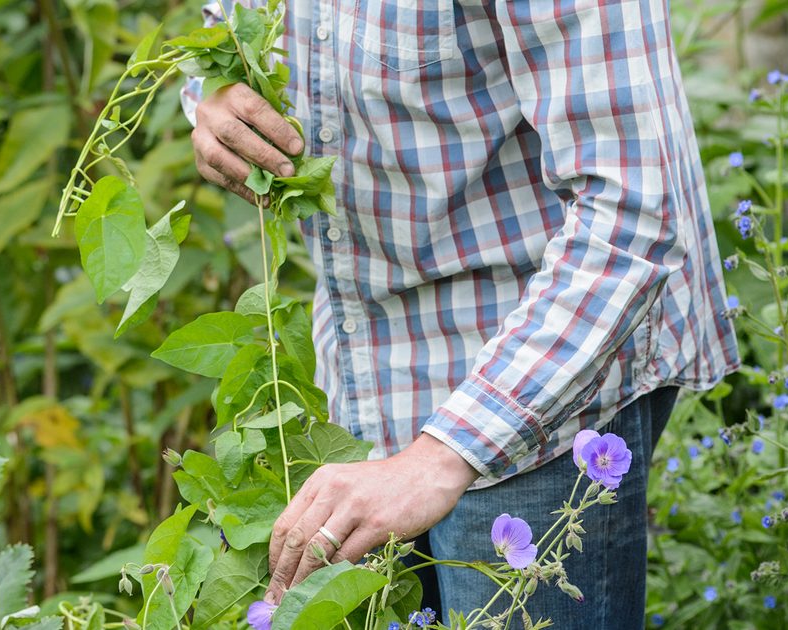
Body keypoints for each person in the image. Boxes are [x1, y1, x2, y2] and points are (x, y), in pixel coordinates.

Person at [183, 0, 739, 626]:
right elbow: (228, 26)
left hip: (539, 385)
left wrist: (440, 456)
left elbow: (633, 209)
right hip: (359, 369)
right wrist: (215, 97)